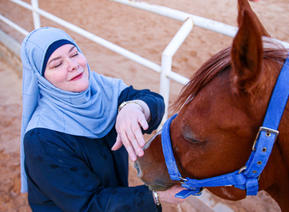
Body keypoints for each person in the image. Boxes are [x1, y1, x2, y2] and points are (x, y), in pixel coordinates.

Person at [20, 27, 184, 211]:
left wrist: (133, 107)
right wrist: (155, 196)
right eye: (57, 64)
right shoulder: (42, 139)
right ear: (41, 79)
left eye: (74, 54)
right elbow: (88, 205)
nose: (73, 65)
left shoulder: (103, 90)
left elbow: (154, 102)